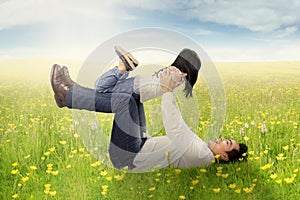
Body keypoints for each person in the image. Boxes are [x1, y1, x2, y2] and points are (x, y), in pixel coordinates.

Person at [50, 47, 248, 171]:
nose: (222, 138)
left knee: (125, 101)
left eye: (227, 143)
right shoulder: (201, 150)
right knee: (132, 97)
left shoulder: (202, 156)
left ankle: (68, 95)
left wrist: (167, 90)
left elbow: (175, 128)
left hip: (128, 157)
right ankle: (72, 91)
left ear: (223, 156)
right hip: (138, 144)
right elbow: (178, 133)